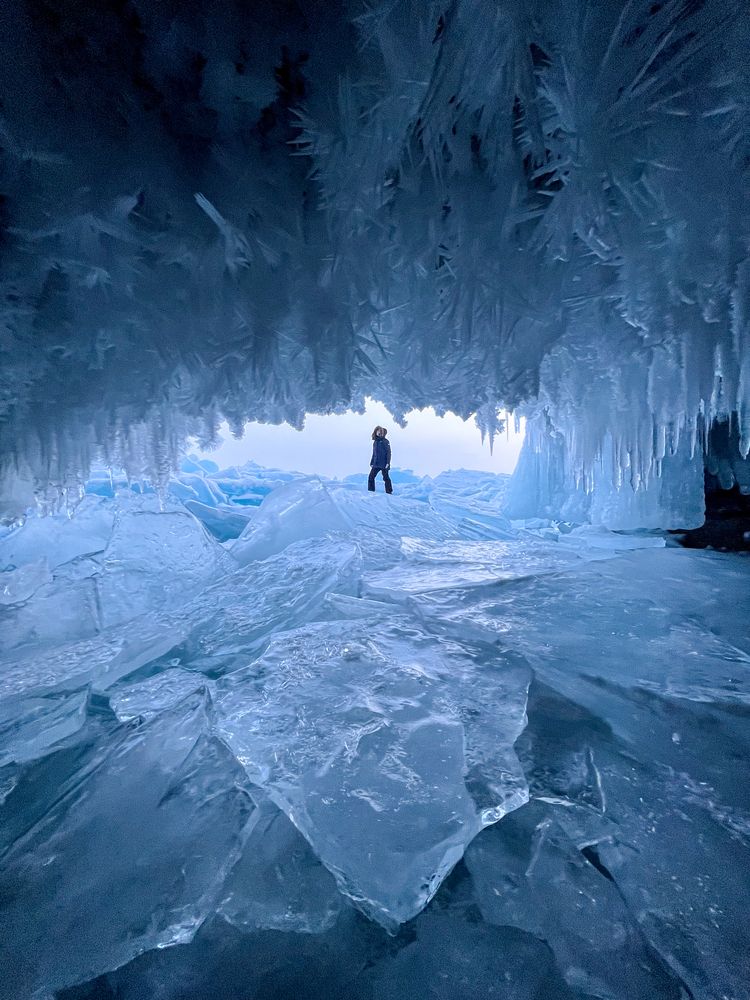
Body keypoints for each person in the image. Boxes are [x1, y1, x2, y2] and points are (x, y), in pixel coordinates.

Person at [368, 425, 393, 494]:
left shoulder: (385, 441)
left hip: (384, 464)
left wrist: (388, 463)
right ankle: (371, 491)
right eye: (378, 431)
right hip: (376, 463)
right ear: (375, 432)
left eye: (381, 432)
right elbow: (374, 453)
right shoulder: (375, 442)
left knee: (386, 478)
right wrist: (372, 462)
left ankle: (389, 492)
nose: (379, 433)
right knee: (371, 477)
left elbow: (389, 453)